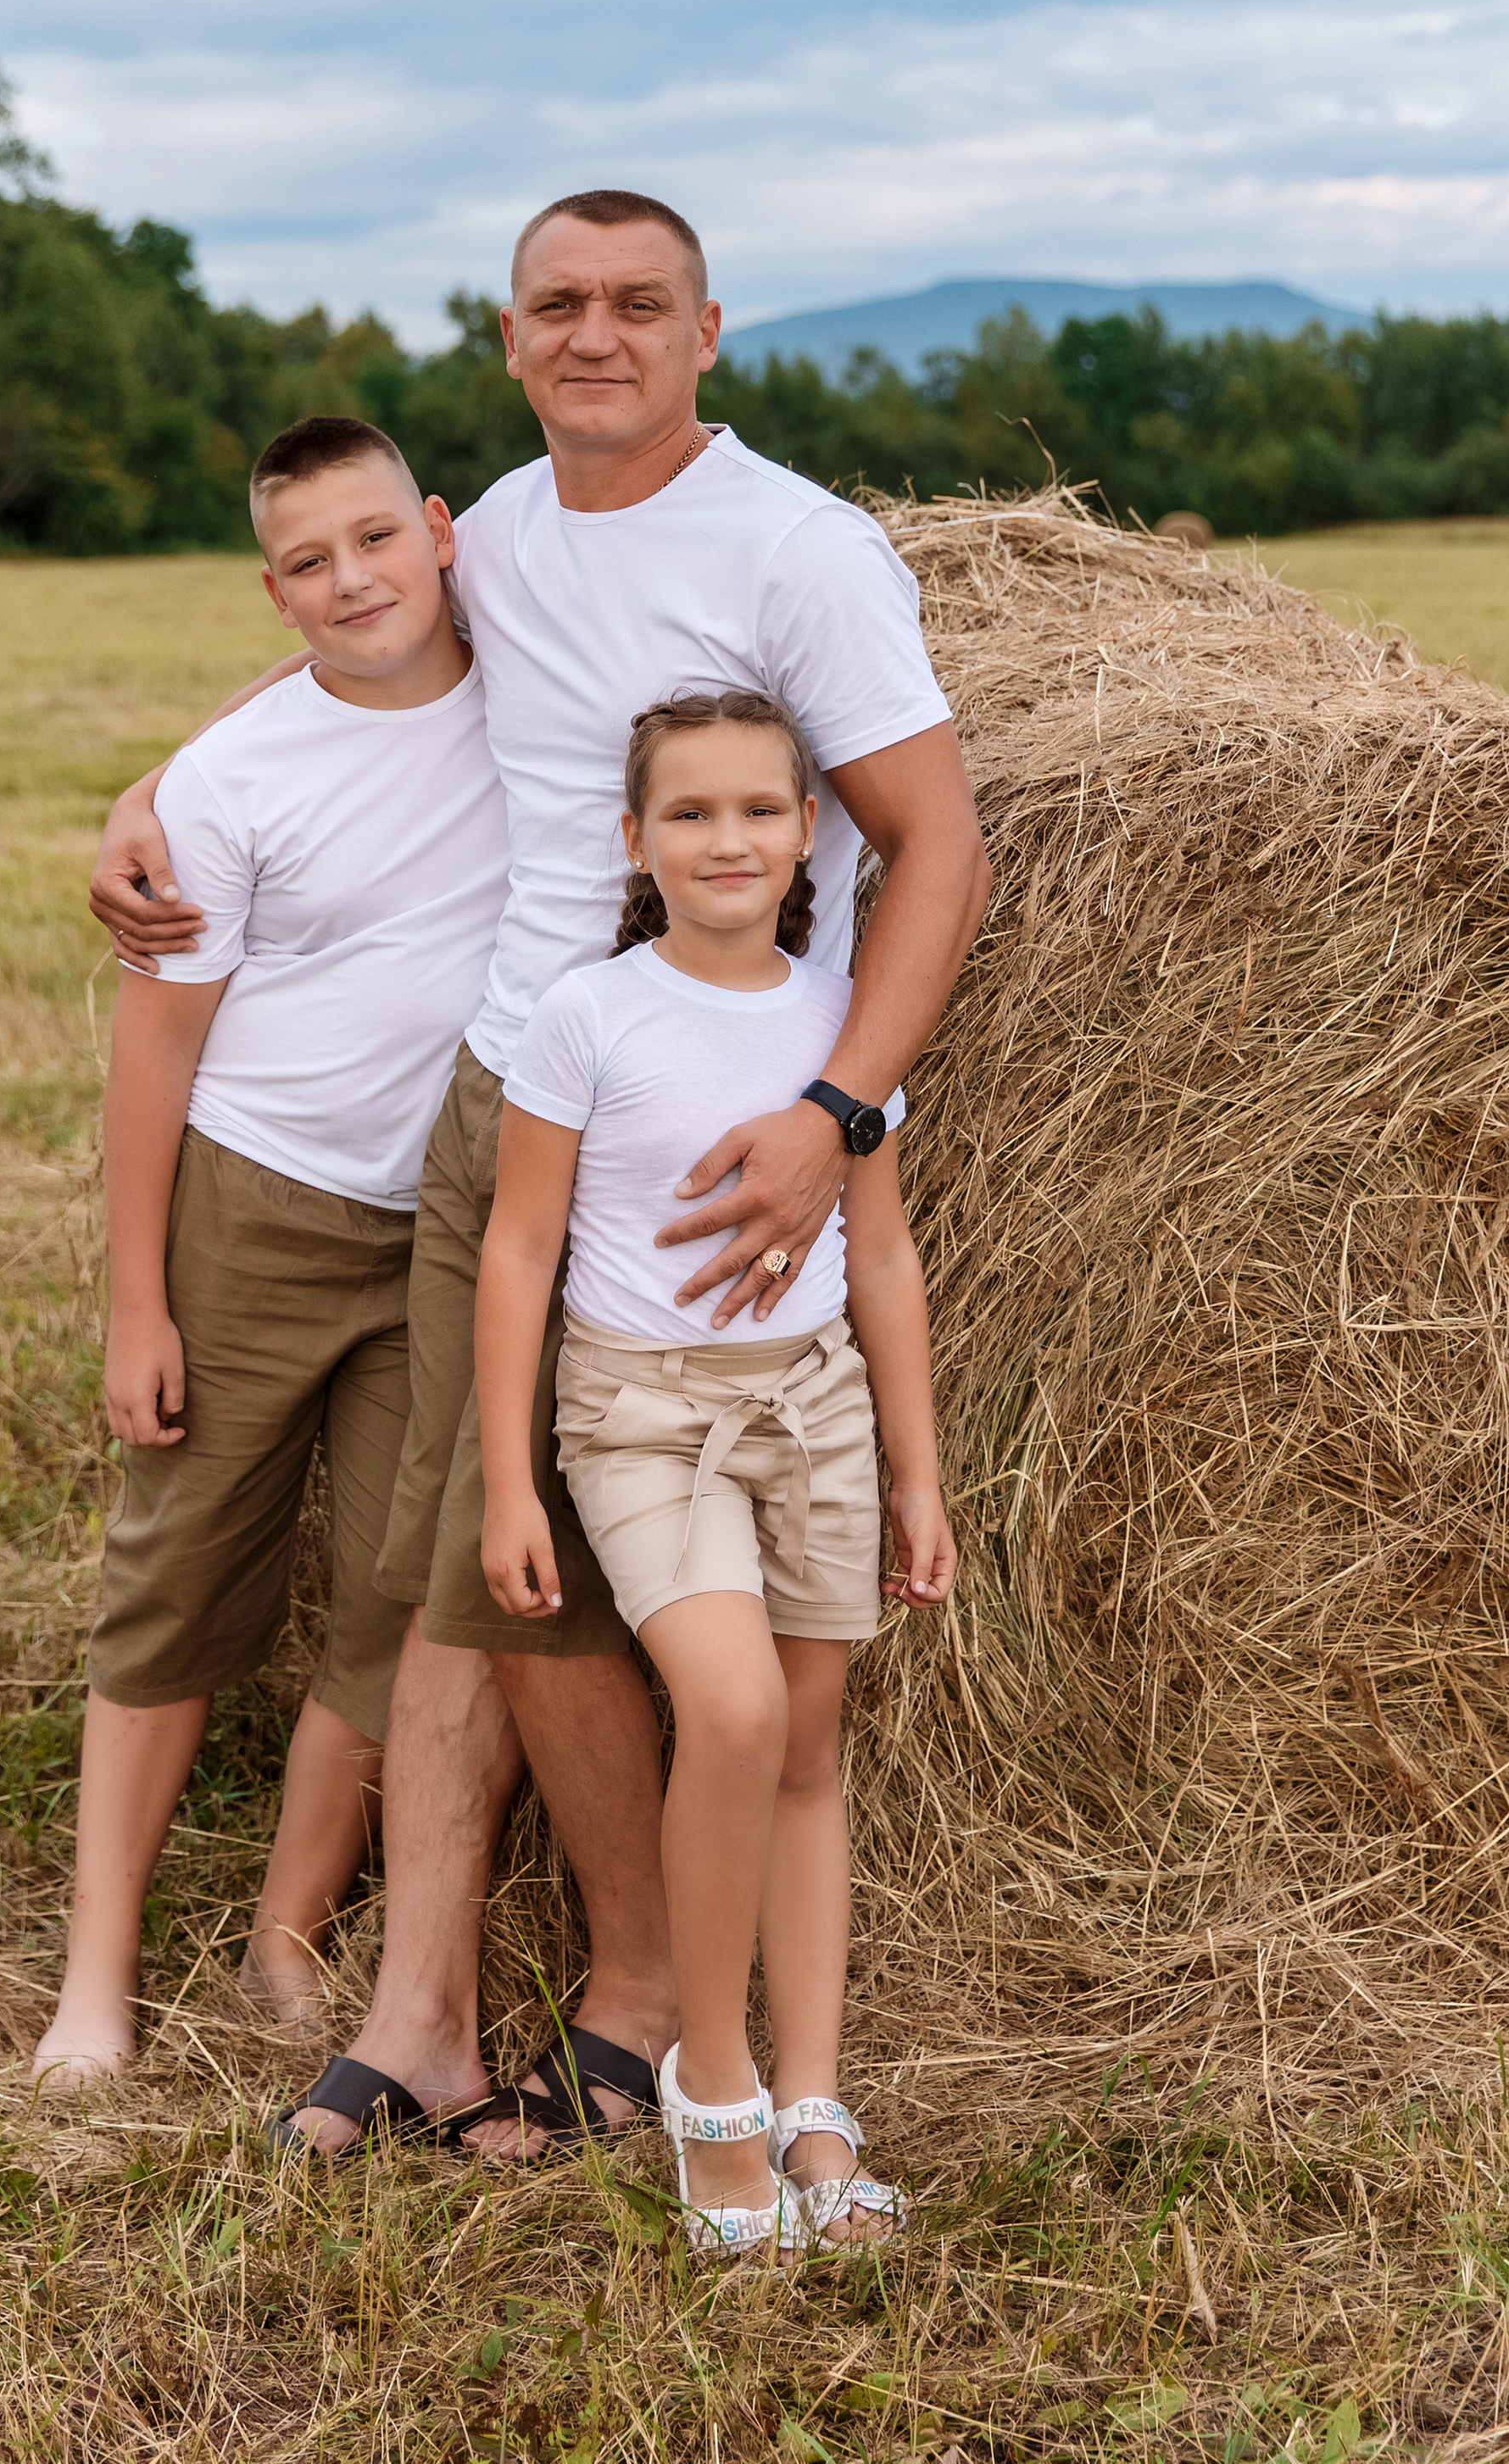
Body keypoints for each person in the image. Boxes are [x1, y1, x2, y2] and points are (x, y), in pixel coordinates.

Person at [91, 189, 988, 2159]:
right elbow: (346, 648)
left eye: (636, 303)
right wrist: (157, 790)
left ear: (705, 331)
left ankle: (641, 1987)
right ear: (506, 340)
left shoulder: (793, 549)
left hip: (725, 1123)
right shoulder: (493, 526)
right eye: (556, 304)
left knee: (607, 1565)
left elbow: (939, 845)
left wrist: (833, 1114)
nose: (595, 335)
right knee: (485, 1557)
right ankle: (443, 2005)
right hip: (509, 1100)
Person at [31, 414, 509, 2090]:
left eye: (375, 540)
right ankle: (95, 1980)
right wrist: (137, 1306)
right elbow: (154, 1049)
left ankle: (286, 1940)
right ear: (273, 593)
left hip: (451, 1222)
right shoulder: (235, 781)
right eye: (308, 562)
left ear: (439, 532)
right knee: (176, 1574)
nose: (351, 579)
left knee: (396, 1594)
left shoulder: (533, 686)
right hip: (257, 1200)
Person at [478, 688, 955, 2254]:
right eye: (689, 813)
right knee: (736, 1709)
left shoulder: (842, 1022)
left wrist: (917, 1472)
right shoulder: (590, 1016)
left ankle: (815, 2103)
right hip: (642, 1417)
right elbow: (519, 1250)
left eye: (759, 809)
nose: (727, 839)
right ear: (636, 841)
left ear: (810, 831)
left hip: (815, 1408)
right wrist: (508, 1484)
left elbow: (879, 1258)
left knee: (805, 1750)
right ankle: (717, 2084)